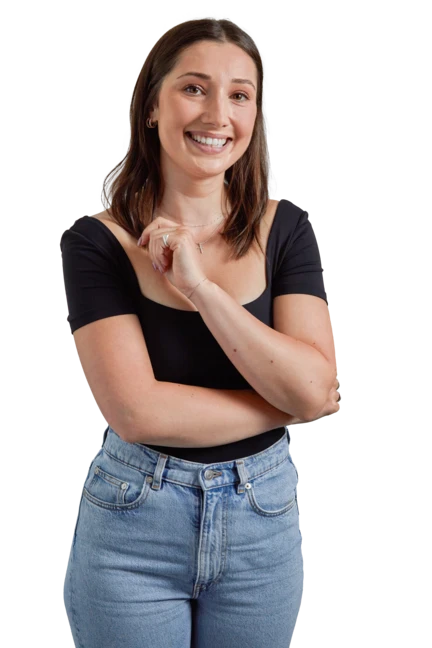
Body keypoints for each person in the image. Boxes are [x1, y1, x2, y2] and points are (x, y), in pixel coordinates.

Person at [61, 17, 340, 648]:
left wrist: (200, 288)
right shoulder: (96, 243)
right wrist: (292, 403)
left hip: (263, 522)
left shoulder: (285, 226)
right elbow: (136, 411)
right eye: (195, 88)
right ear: (153, 105)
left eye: (240, 95)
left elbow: (316, 381)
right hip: (134, 524)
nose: (218, 114)